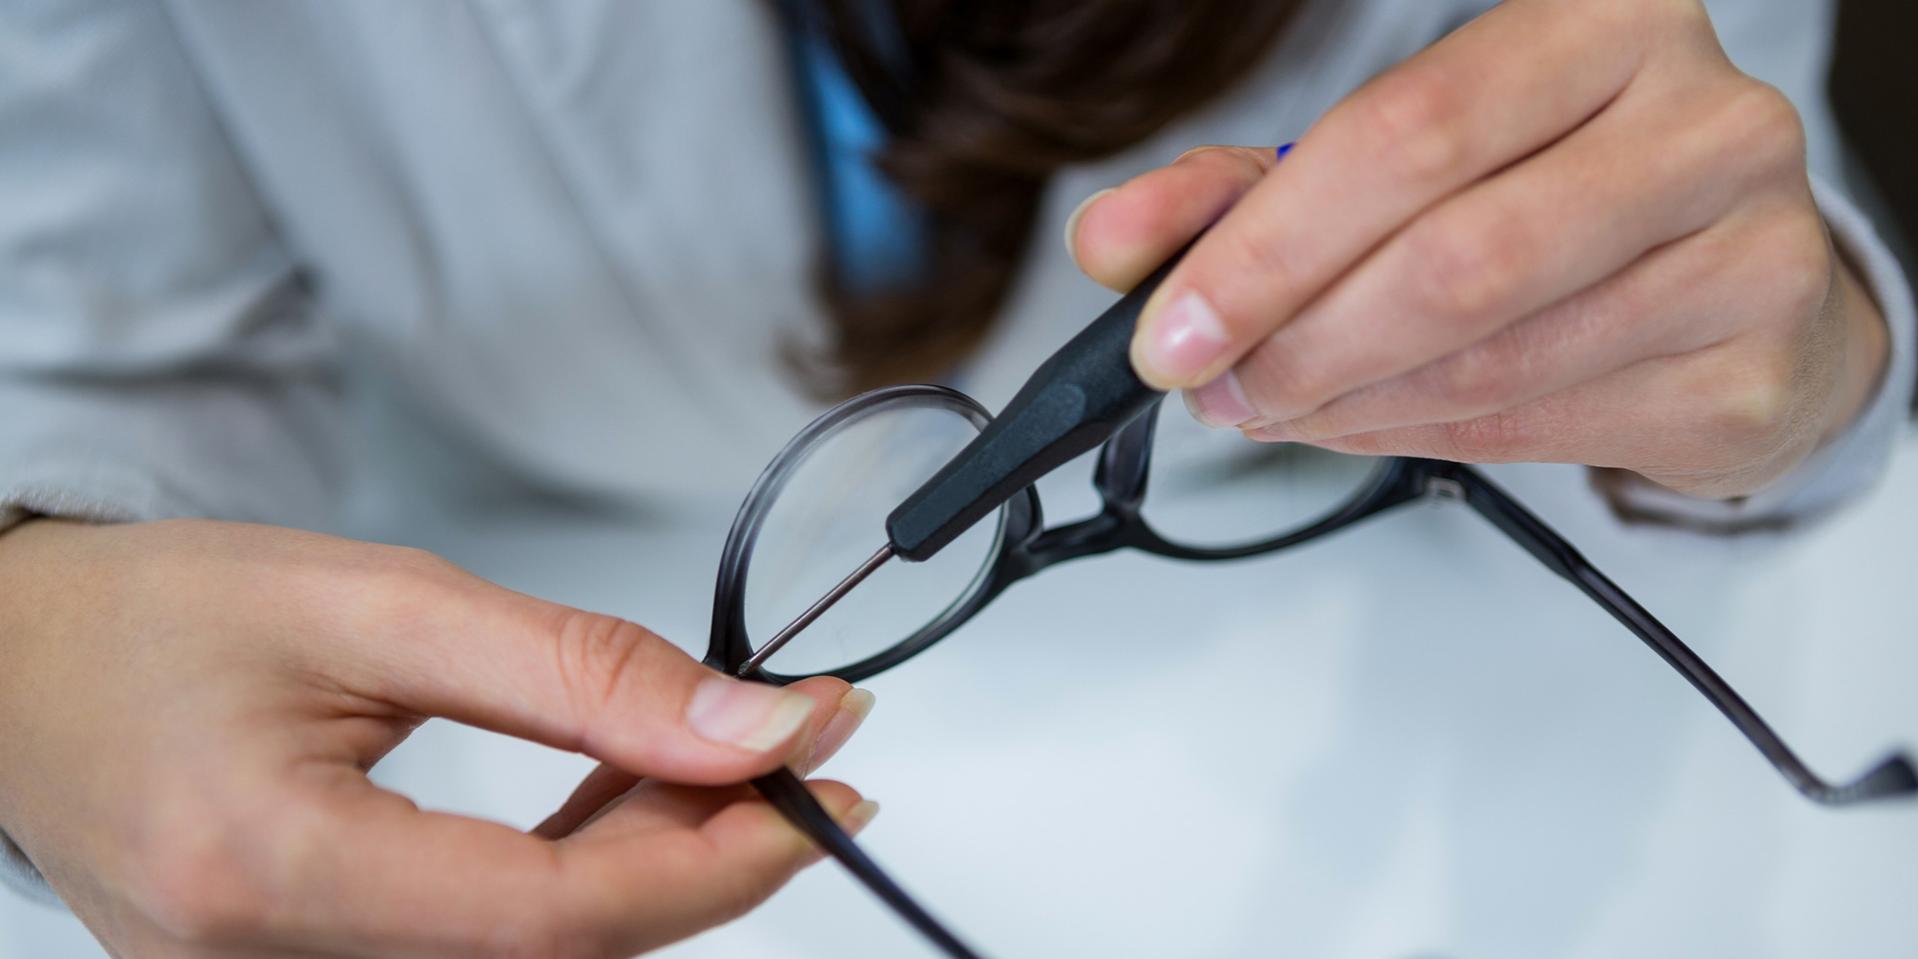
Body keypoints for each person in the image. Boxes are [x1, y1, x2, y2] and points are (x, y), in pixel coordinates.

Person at [1, 1, 1910, 956]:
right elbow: (71, 333)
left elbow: (1715, 214)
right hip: (473, 573)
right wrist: (29, 630)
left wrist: (1793, 353)